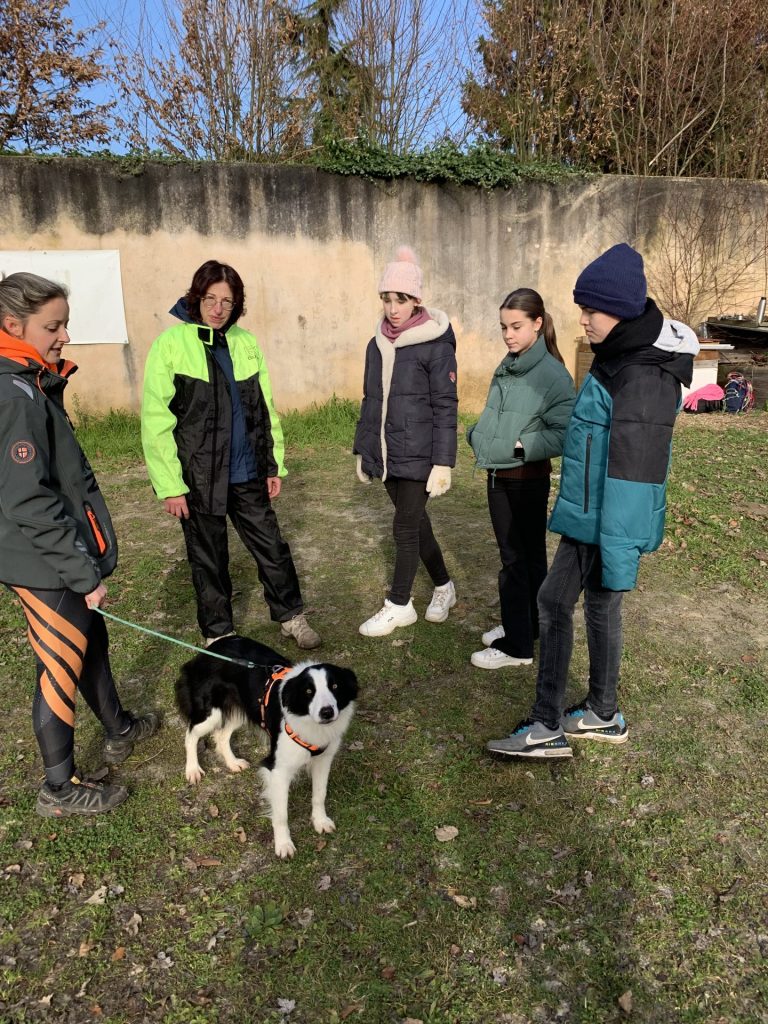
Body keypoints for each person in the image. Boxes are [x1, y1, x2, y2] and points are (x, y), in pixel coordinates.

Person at [486, 244, 698, 758]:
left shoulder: (642, 373)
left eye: (590, 310)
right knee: (598, 605)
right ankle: (603, 712)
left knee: (554, 601)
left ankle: (546, 726)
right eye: (581, 309)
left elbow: (635, 474)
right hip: (593, 510)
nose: (582, 320)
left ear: (620, 310)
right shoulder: (620, 355)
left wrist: (617, 547)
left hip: (604, 518)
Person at [0, 272, 159, 817]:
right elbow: (28, 501)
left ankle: (118, 726)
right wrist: (81, 572)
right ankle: (59, 788)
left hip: (51, 555)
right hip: (41, 562)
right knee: (60, 664)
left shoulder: (28, 382)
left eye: (65, 324)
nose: (64, 336)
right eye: (53, 326)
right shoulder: (14, 395)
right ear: (12, 325)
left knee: (90, 640)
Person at [141, 260, 320, 650]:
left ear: (237, 304)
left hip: (246, 471)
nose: (218, 308)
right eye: (210, 299)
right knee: (209, 558)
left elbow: (264, 408)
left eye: (227, 301)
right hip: (199, 477)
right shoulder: (171, 345)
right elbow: (156, 420)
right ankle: (218, 632)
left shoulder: (246, 342)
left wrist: (272, 465)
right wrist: (170, 485)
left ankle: (291, 615)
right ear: (196, 297)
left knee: (271, 547)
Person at [467, 289, 575, 669]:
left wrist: (518, 448)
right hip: (499, 474)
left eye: (516, 326)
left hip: (524, 478)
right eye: (503, 327)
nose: (508, 335)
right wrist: (478, 435)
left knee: (517, 559)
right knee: (523, 558)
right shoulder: (510, 363)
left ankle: (517, 647)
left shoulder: (553, 374)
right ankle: (528, 627)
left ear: (537, 324)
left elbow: (564, 433)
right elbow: (495, 414)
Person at [354, 247, 458, 637]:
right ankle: (444, 586)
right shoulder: (376, 344)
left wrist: (443, 462)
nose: (393, 308)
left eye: (401, 299)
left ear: (416, 300)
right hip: (387, 452)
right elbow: (370, 400)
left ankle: (399, 605)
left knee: (404, 527)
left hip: (421, 454)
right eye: (387, 299)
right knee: (416, 523)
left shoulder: (436, 344)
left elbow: (445, 405)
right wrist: (363, 450)